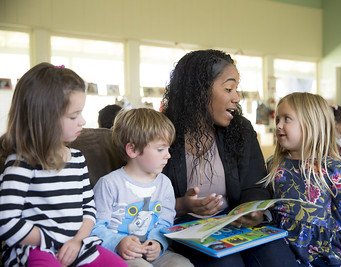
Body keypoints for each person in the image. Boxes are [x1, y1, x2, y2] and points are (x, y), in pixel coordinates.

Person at [161, 49, 299, 267]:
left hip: (231, 222)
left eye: (236, 88)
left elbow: (255, 185)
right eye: (228, 88)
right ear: (200, 92)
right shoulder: (161, 132)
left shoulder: (241, 129)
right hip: (183, 227)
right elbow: (143, 195)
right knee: (227, 263)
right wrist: (183, 205)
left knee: (277, 256)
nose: (237, 97)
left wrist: (255, 210)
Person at [0, 63, 127, 267]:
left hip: (77, 245)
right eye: (73, 116)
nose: (83, 121)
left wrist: (77, 240)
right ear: (44, 119)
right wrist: (54, 240)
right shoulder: (20, 163)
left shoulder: (77, 158)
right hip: (36, 249)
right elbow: (7, 222)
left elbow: (89, 209)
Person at [262, 92, 341, 266]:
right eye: (277, 119)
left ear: (311, 124)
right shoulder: (274, 165)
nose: (278, 125)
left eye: (287, 119)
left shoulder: (332, 167)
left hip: (324, 255)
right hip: (283, 250)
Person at [91, 108, 193, 267]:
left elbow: (166, 222)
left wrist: (158, 243)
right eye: (160, 149)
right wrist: (118, 243)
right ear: (132, 150)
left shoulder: (164, 183)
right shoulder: (109, 184)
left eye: (168, 148)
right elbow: (95, 227)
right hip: (118, 252)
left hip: (154, 251)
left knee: (183, 265)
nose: (168, 155)